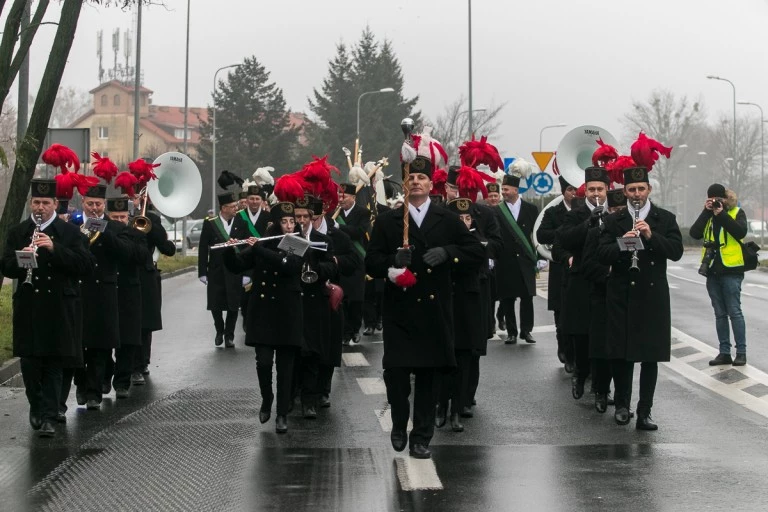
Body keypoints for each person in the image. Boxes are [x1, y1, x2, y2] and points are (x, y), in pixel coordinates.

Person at [366, 155, 485, 459]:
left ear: (432, 185)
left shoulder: (447, 220)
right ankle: (398, 421)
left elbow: (475, 252)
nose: (416, 182)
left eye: (421, 178)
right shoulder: (389, 220)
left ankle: (421, 437)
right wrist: (393, 260)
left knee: (428, 377)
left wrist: (448, 252)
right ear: (405, 184)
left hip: (433, 309)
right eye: (411, 178)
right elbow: (371, 262)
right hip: (400, 310)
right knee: (396, 374)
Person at [1, 179, 94, 436]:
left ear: (55, 204)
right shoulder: (19, 232)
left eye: (45, 203)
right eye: (36, 202)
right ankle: (37, 406)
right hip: (29, 307)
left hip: (58, 307)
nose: (40, 207)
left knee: (54, 363)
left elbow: (85, 265)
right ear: (31, 203)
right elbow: (6, 266)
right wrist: (22, 257)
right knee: (30, 364)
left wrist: (54, 249)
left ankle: (50, 416)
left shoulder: (71, 233)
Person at [597, 166, 683, 430]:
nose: (636, 194)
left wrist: (650, 236)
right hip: (621, 294)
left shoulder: (665, 218)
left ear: (649, 190)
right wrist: (623, 242)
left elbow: (676, 251)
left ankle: (645, 411)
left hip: (652, 296)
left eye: (641, 189)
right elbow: (601, 253)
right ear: (624, 192)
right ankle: (622, 406)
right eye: (631, 190)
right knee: (621, 355)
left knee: (650, 355)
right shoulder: (613, 221)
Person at [223, 202, 304, 433]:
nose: (289, 226)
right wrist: (230, 250)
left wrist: (259, 249)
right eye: (284, 222)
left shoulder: (296, 243)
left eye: (292, 221)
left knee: (286, 367)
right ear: (275, 224)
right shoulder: (264, 241)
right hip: (263, 312)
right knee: (264, 362)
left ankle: (281, 414)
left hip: (288, 311)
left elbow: (289, 266)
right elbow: (238, 265)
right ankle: (266, 398)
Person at [74, 184, 133, 410]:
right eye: (90, 204)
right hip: (79, 292)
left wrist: (105, 230)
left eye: (98, 204)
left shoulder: (115, 228)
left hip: (104, 292)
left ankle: (94, 393)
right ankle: (81, 383)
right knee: (78, 346)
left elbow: (125, 253)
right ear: (83, 204)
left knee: (100, 346)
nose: (94, 208)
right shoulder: (73, 225)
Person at [554, 167, 609, 400]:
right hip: (579, 279)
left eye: (600, 189)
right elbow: (565, 239)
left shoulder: (614, 212)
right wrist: (589, 222)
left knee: (602, 336)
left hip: (604, 280)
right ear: (584, 191)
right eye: (591, 189)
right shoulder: (575, 214)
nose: (596, 193)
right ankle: (580, 374)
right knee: (580, 333)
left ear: (607, 190)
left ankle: (601, 387)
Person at [690, 184, 748, 366]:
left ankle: (741, 352)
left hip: (731, 269)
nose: (715, 202)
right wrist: (706, 212)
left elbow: (740, 232)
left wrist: (721, 214)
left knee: (734, 312)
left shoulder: (736, 212)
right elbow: (695, 233)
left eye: (718, 199)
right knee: (720, 313)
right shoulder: (708, 215)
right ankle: (724, 352)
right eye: (712, 200)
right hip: (712, 270)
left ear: (725, 198)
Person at [311, 196, 359, 408]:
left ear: (322, 214)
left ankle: (324, 389)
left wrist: (335, 261)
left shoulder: (337, 235)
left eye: (313, 217)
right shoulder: (296, 233)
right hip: (306, 295)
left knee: (329, 345)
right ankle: (303, 389)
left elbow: (354, 261)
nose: (308, 221)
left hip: (330, 296)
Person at [582, 187, 626, 413]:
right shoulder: (596, 232)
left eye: (621, 209)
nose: (617, 213)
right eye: (614, 209)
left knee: (621, 351)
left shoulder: (630, 230)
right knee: (600, 349)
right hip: (601, 295)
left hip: (623, 299)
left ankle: (621, 397)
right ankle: (600, 390)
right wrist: (607, 271)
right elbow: (587, 266)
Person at [293, 195, 336, 419]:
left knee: (312, 353)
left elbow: (332, 266)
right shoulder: (288, 238)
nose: (301, 220)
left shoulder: (323, 239)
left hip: (315, 301)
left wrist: (318, 270)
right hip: (293, 301)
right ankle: (292, 395)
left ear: (311, 218)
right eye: (297, 216)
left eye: (304, 216)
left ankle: (309, 400)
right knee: (294, 352)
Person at [105, 196, 149, 398]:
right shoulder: (102, 233)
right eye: (115, 217)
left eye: (123, 217)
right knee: (104, 339)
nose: (119, 221)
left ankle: (122, 382)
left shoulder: (136, 235)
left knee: (129, 340)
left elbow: (142, 257)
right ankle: (105, 375)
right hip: (107, 291)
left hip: (129, 292)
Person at [536, 176, 576, 369]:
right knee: (561, 313)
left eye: (577, 189)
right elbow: (541, 234)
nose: (574, 193)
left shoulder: (587, 211)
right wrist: (565, 232)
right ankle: (565, 350)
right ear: (563, 192)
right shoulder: (553, 212)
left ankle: (578, 355)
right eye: (570, 189)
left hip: (580, 267)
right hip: (560, 267)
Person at [494, 174, 539, 344]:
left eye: (506, 189)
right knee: (508, 298)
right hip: (505, 261)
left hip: (526, 260)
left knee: (527, 297)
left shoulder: (531, 209)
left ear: (515, 190)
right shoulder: (497, 210)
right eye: (502, 189)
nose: (503, 192)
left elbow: (536, 236)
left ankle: (526, 331)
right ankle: (512, 332)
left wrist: (540, 257)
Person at [198, 191, 246, 348]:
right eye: (232, 207)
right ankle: (219, 330)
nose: (235, 209)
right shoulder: (211, 223)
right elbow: (203, 248)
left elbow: (246, 247)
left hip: (235, 269)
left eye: (236, 206)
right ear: (223, 208)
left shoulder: (241, 222)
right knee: (215, 303)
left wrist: (246, 272)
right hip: (216, 270)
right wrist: (202, 272)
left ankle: (229, 335)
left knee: (233, 303)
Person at [135, 195, 176, 377]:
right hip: (124, 273)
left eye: (139, 196)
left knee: (145, 321)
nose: (135, 199)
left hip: (145, 274)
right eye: (132, 195)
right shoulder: (118, 213)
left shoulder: (152, 218)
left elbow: (167, 248)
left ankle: (142, 361)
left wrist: (151, 226)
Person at [334, 183, 371, 345]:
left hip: (357, 259)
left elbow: (359, 232)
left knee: (356, 299)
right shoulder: (334, 213)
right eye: (339, 196)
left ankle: (355, 328)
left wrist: (338, 226)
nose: (341, 200)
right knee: (342, 298)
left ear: (353, 197)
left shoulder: (363, 212)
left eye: (344, 196)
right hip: (340, 259)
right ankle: (345, 331)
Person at [231, 185, 270, 330]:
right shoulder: (239, 216)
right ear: (246, 200)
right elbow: (235, 239)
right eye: (251, 199)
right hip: (245, 262)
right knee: (246, 297)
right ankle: (247, 321)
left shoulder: (268, 217)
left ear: (261, 200)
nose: (254, 201)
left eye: (257, 199)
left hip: (263, 261)